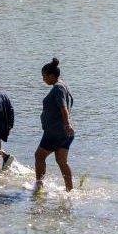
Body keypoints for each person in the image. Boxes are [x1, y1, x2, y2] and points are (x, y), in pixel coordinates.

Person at [34, 58, 75, 192]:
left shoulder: (58, 88)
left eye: (44, 76)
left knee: (39, 156)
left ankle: (39, 186)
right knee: (61, 161)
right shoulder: (64, 85)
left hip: (56, 132)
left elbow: (63, 107)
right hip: (65, 133)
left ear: (52, 76)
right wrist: (68, 126)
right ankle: (70, 190)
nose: (43, 79)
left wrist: (67, 124)